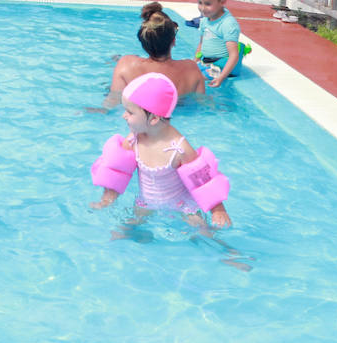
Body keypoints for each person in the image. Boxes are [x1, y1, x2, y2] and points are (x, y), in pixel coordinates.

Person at [91, 73, 232, 230]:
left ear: (154, 119)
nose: (124, 116)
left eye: (130, 112)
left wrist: (218, 210)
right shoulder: (133, 140)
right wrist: (107, 199)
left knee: (203, 231)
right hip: (146, 203)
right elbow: (117, 171)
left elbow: (202, 179)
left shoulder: (180, 149)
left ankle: (227, 252)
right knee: (123, 231)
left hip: (181, 205)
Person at [99, 2, 205, 110]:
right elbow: (202, 104)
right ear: (173, 41)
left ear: (144, 42)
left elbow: (112, 101)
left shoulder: (125, 64)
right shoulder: (192, 69)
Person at [184, 0, 242, 87]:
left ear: (222, 1)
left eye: (208, 3)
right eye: (199, 2)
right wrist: (194, 61)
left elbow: (234, 55)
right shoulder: (205, 20)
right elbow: (201, 44)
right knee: (182, 72)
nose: (202, 8)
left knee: (191, 81)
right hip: (206, 63)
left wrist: (221, 77)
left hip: (220, 66)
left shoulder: (228, 24)